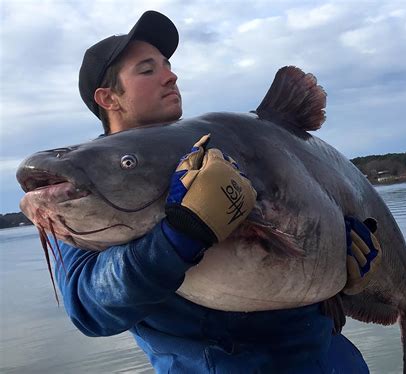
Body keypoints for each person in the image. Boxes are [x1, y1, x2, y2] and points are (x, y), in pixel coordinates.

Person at [54, 10, 380, 373]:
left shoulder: (225, 142)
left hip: (331, 359)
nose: (171, 75)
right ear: (108, 98)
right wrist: (179, 237)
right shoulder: (83, 195)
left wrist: (341, 269)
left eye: (167, 64)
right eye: (148, 70)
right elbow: (89, 307)